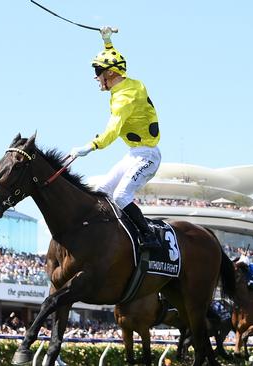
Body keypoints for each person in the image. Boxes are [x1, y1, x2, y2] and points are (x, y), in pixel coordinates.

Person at [69, 26, 161, 249]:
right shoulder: (128, 84)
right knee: (102, 191)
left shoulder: (124, 99)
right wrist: (107, 42)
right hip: (134, 153)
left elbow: (112, 131)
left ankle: (149, 237)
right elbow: (115, 61)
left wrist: (90, 146)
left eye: (99, 72)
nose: (96, 77)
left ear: (110, 74)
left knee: (120, 195)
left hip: (148, 156)